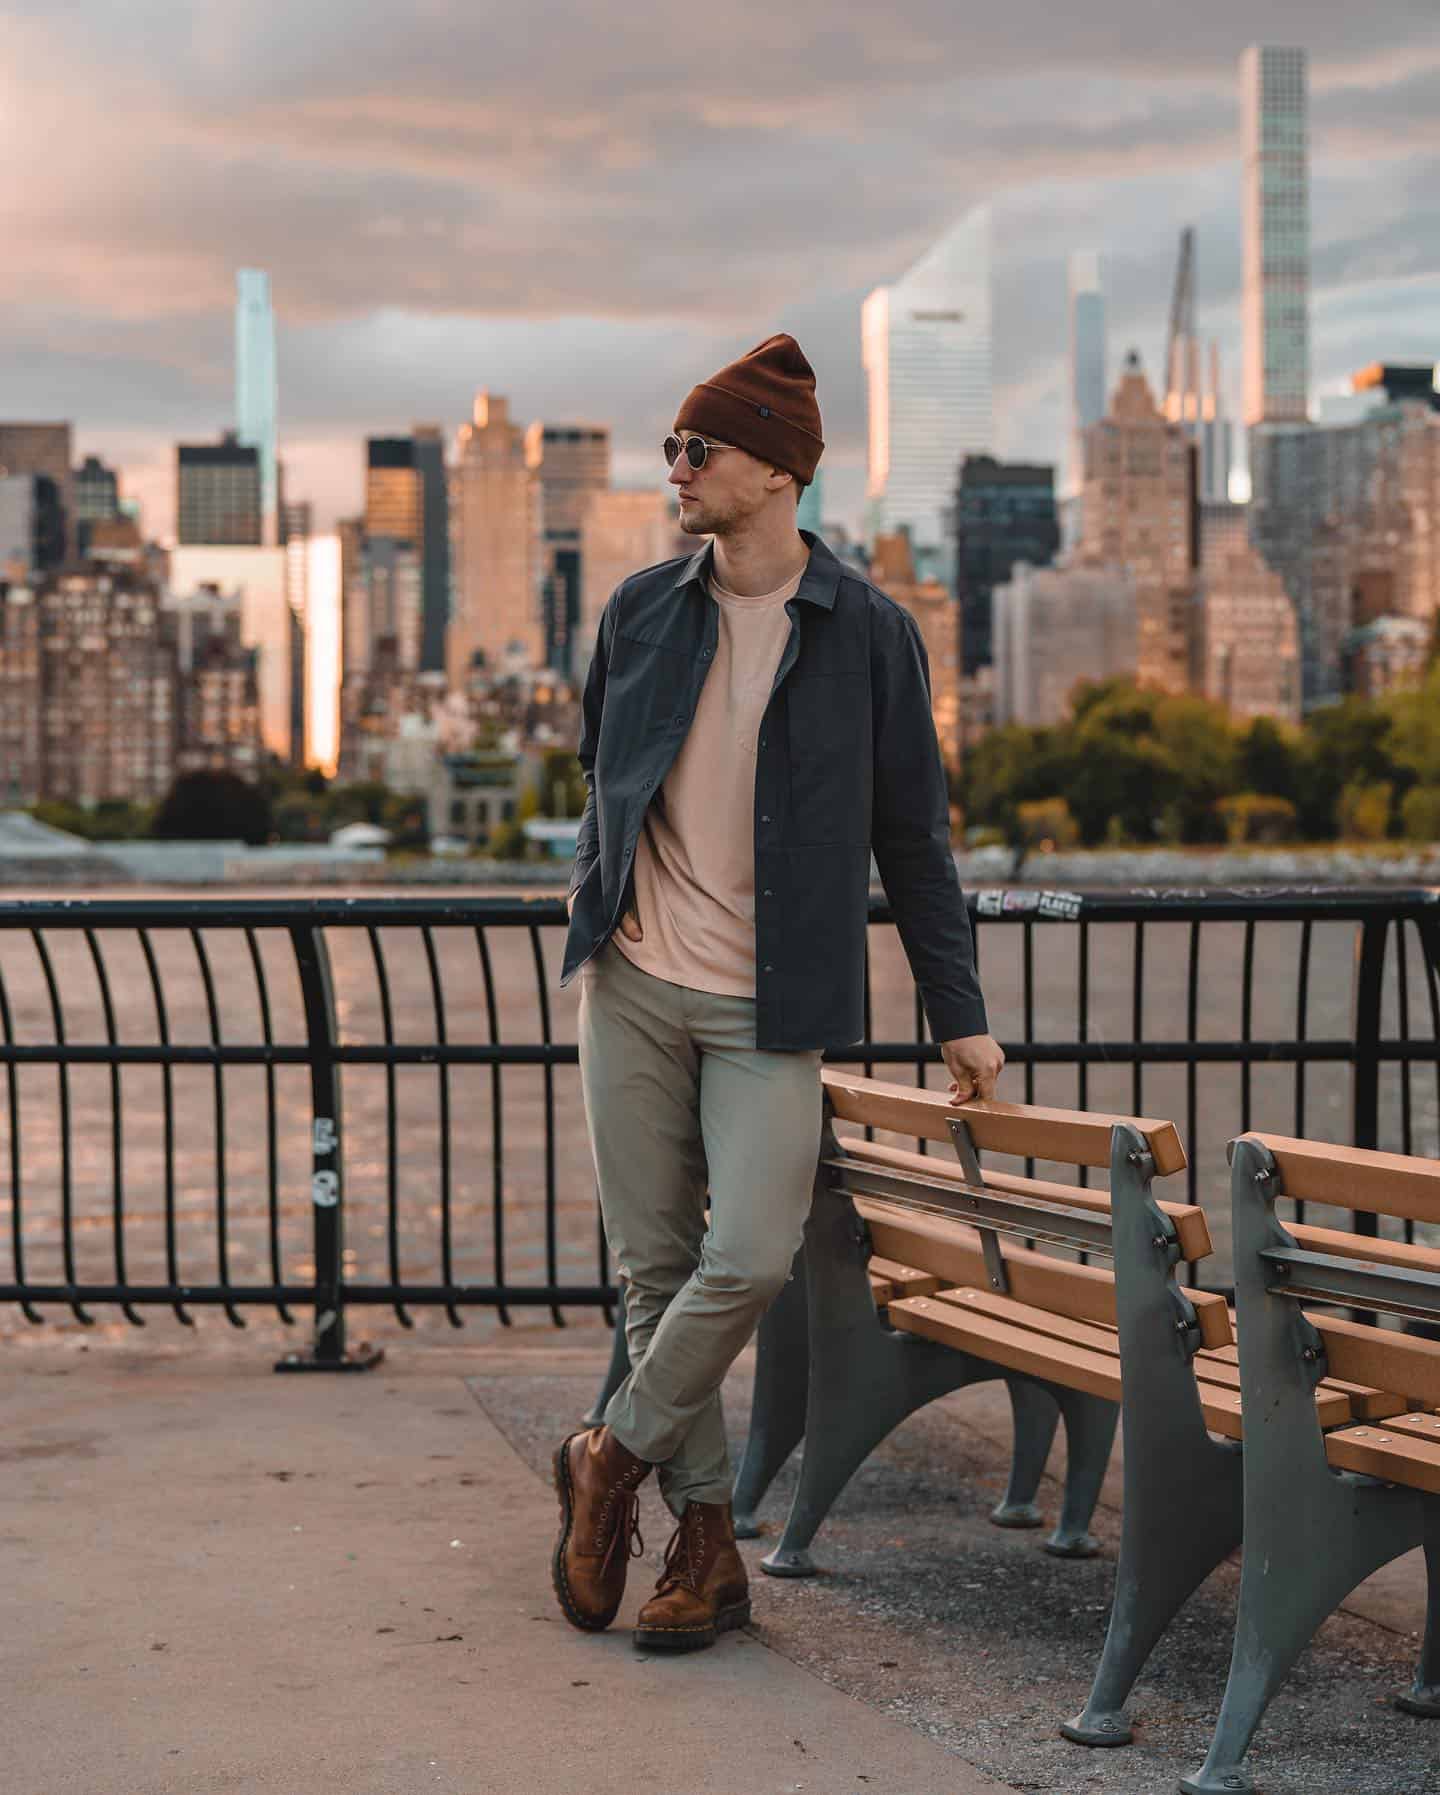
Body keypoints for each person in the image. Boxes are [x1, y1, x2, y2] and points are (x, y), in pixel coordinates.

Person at [551, 332, 1003, 1652]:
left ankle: (605, 1461)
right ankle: (705, 1548)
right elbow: (600, 782)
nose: (675, 470)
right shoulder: (641, 608)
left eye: (699, 450)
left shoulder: (869, 636)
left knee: (744, 1255)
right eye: (673, 449)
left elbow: (913, 838)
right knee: (655, 1276)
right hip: (633, 984)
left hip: (769, 1005)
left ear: (775, 471)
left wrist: (957, 1012)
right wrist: (600, 896)